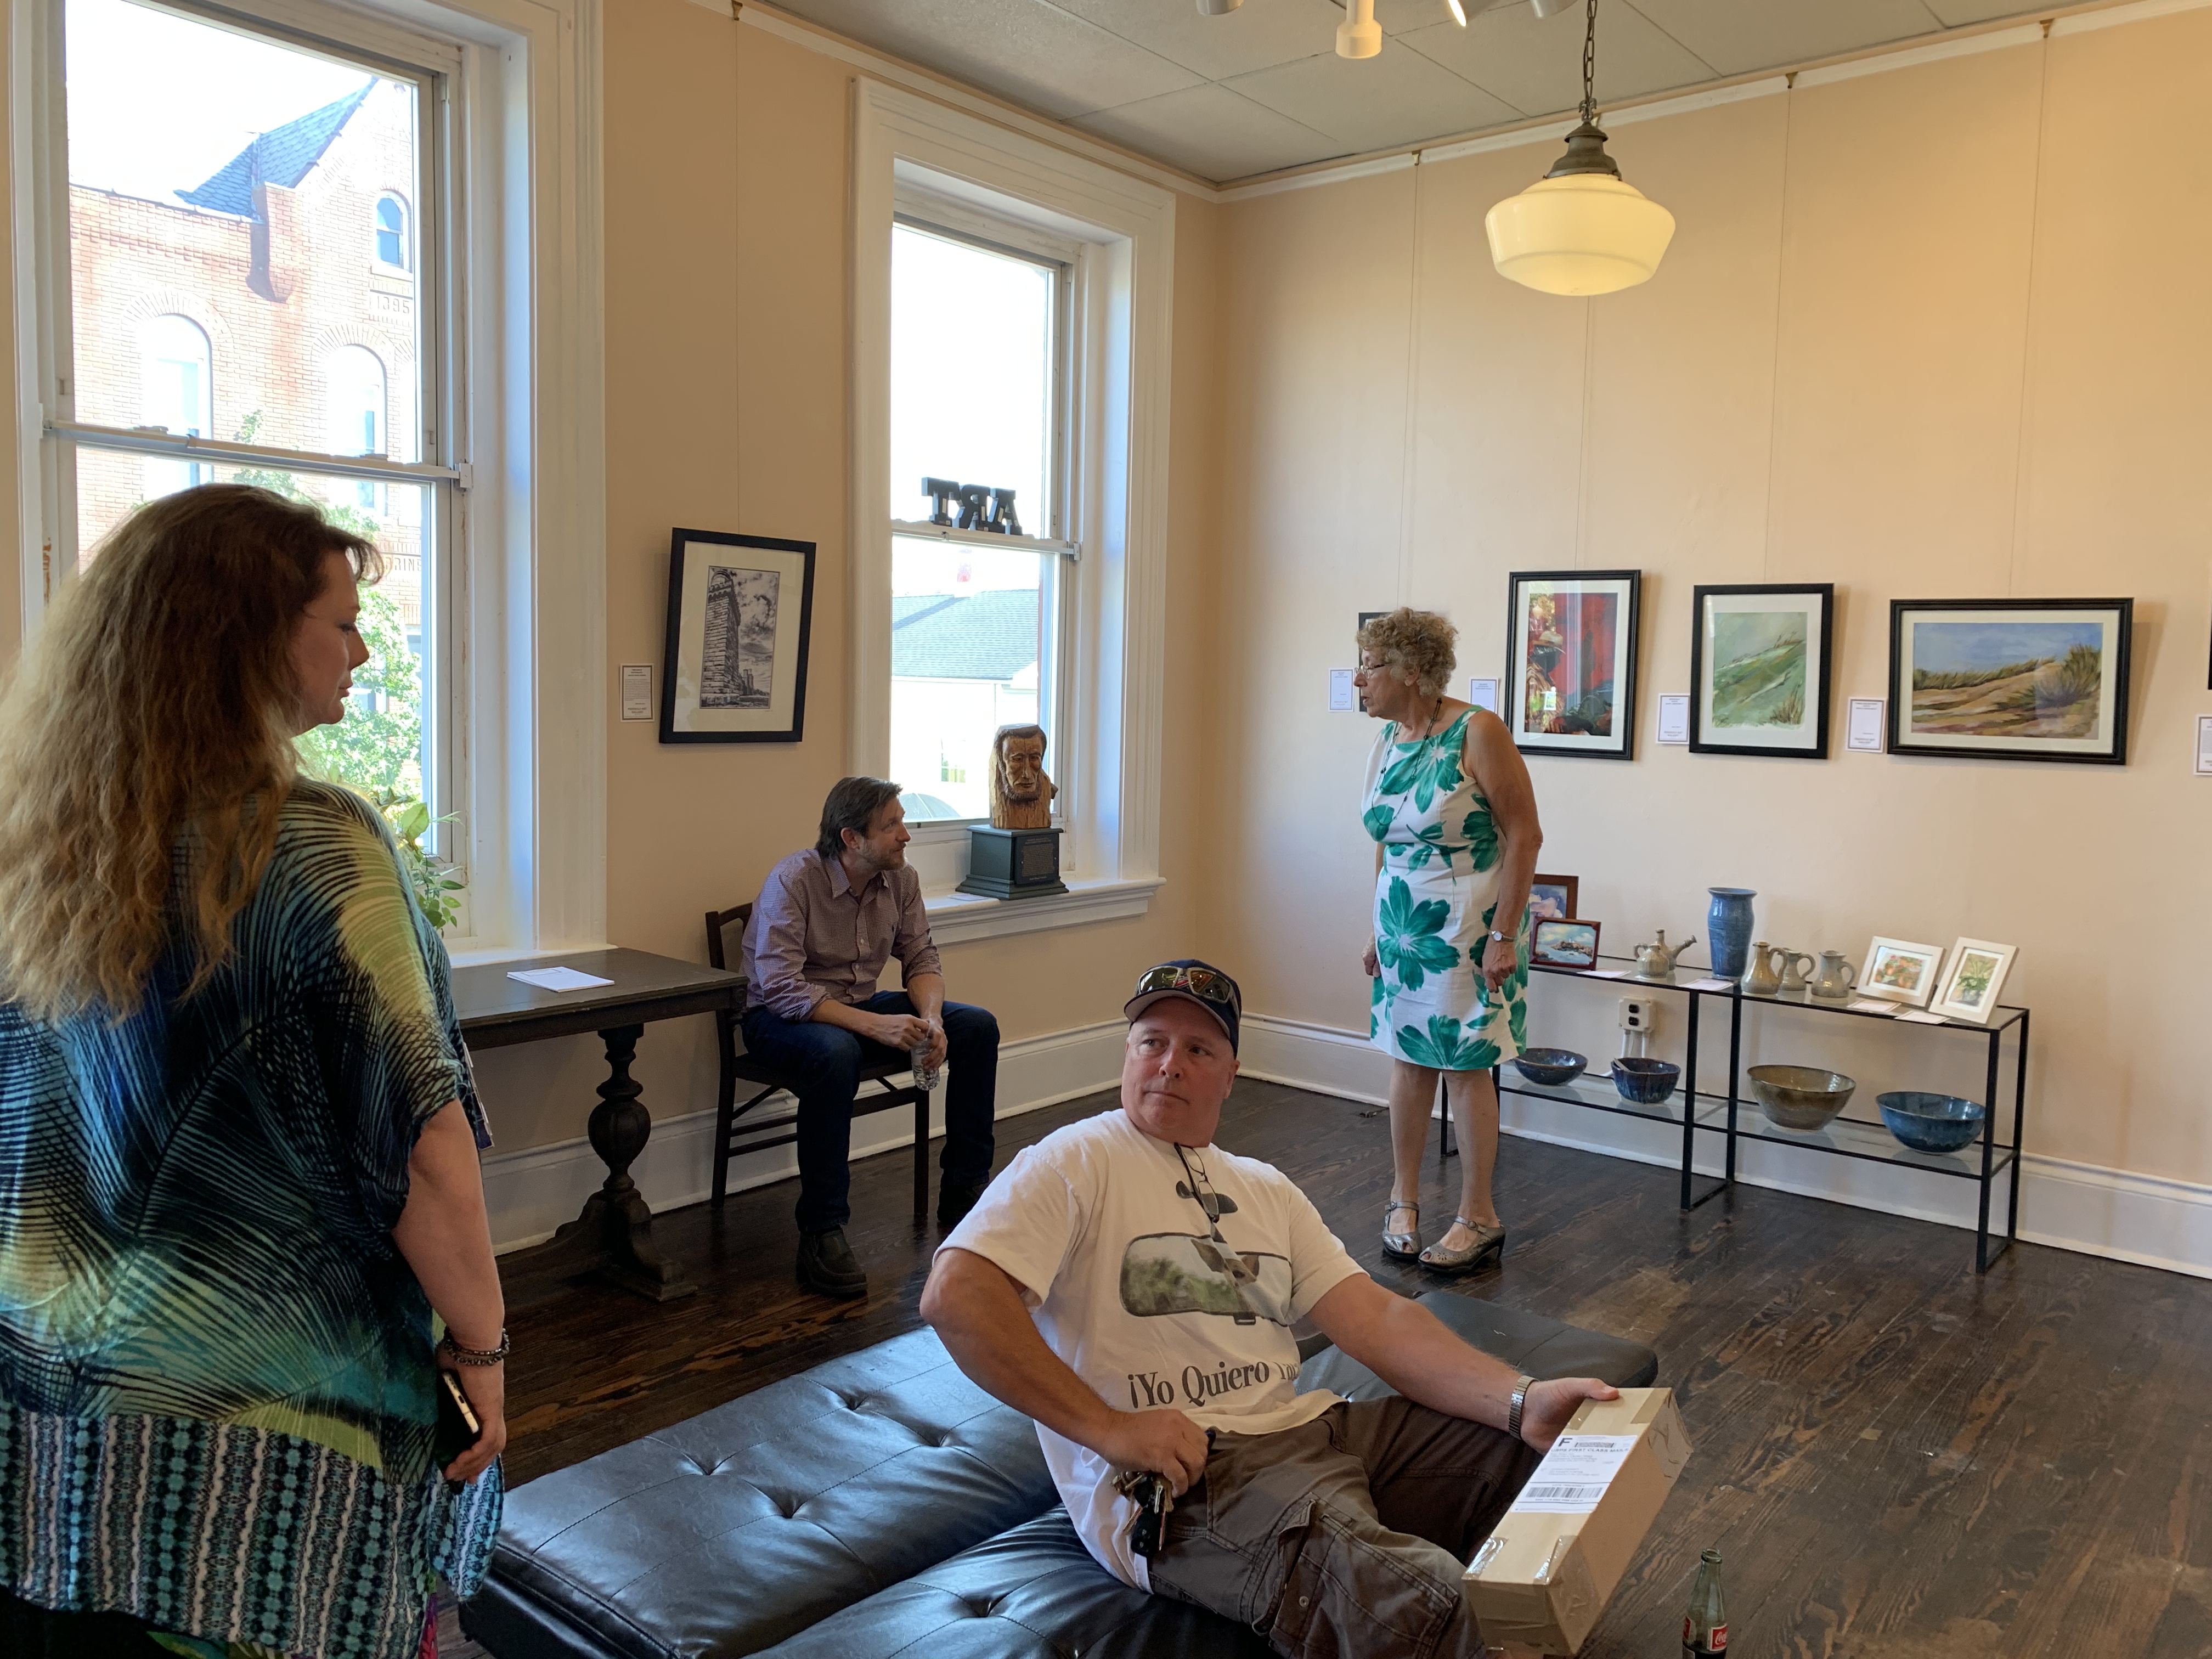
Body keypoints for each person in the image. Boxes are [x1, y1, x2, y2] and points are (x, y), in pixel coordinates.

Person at [0, 485, 506, 1659]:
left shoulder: (38, 841)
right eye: (344, 622)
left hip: (45, 1400)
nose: (362, 653)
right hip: (266, 1418)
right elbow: (423, 1150)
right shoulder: (316, 842)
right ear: (251, 639)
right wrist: (482, 1350)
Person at [921, 960, 1616, 1658]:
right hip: (1189, 1482)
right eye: (1152, 1042)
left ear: (1231, 1075)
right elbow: (956, 1295)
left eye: (1198, 1050)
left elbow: (1376, 1319)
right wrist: (1108, 1427)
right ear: (1127, 1053)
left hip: (1314, 1431)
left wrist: (1522, 1402)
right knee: (1434, 1604)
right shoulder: (1074, 1160)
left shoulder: (1265, 1188)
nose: (1169, 1064)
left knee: (1545, 1468)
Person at [740, 777, 999, 1299]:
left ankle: (965, 1191)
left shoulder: (901, 880)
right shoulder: (793, 880)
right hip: (778, 1019)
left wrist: (932, 1020)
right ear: (851, 838)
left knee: (977, 1026)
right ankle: (821, 1231)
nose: (906, 834)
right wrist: (876, 1026)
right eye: (892, 825)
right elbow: (783, 989)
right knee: (835, 1054)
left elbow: (921, 958)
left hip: (858, 1005)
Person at [1355, 607, 1543, 1274]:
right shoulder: (1389, 740)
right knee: (1408, 1062)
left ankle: (1479, 1216)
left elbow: (1525, 836)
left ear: (1411, 670)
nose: (1359, 680)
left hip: (1469, 928)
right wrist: (1378, 927)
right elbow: (1388, 840)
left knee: (1464, 1067)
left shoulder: (1478, 731)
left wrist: (1504, 935)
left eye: (1370, 667)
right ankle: (1402, 1201)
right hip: (1404, 929)